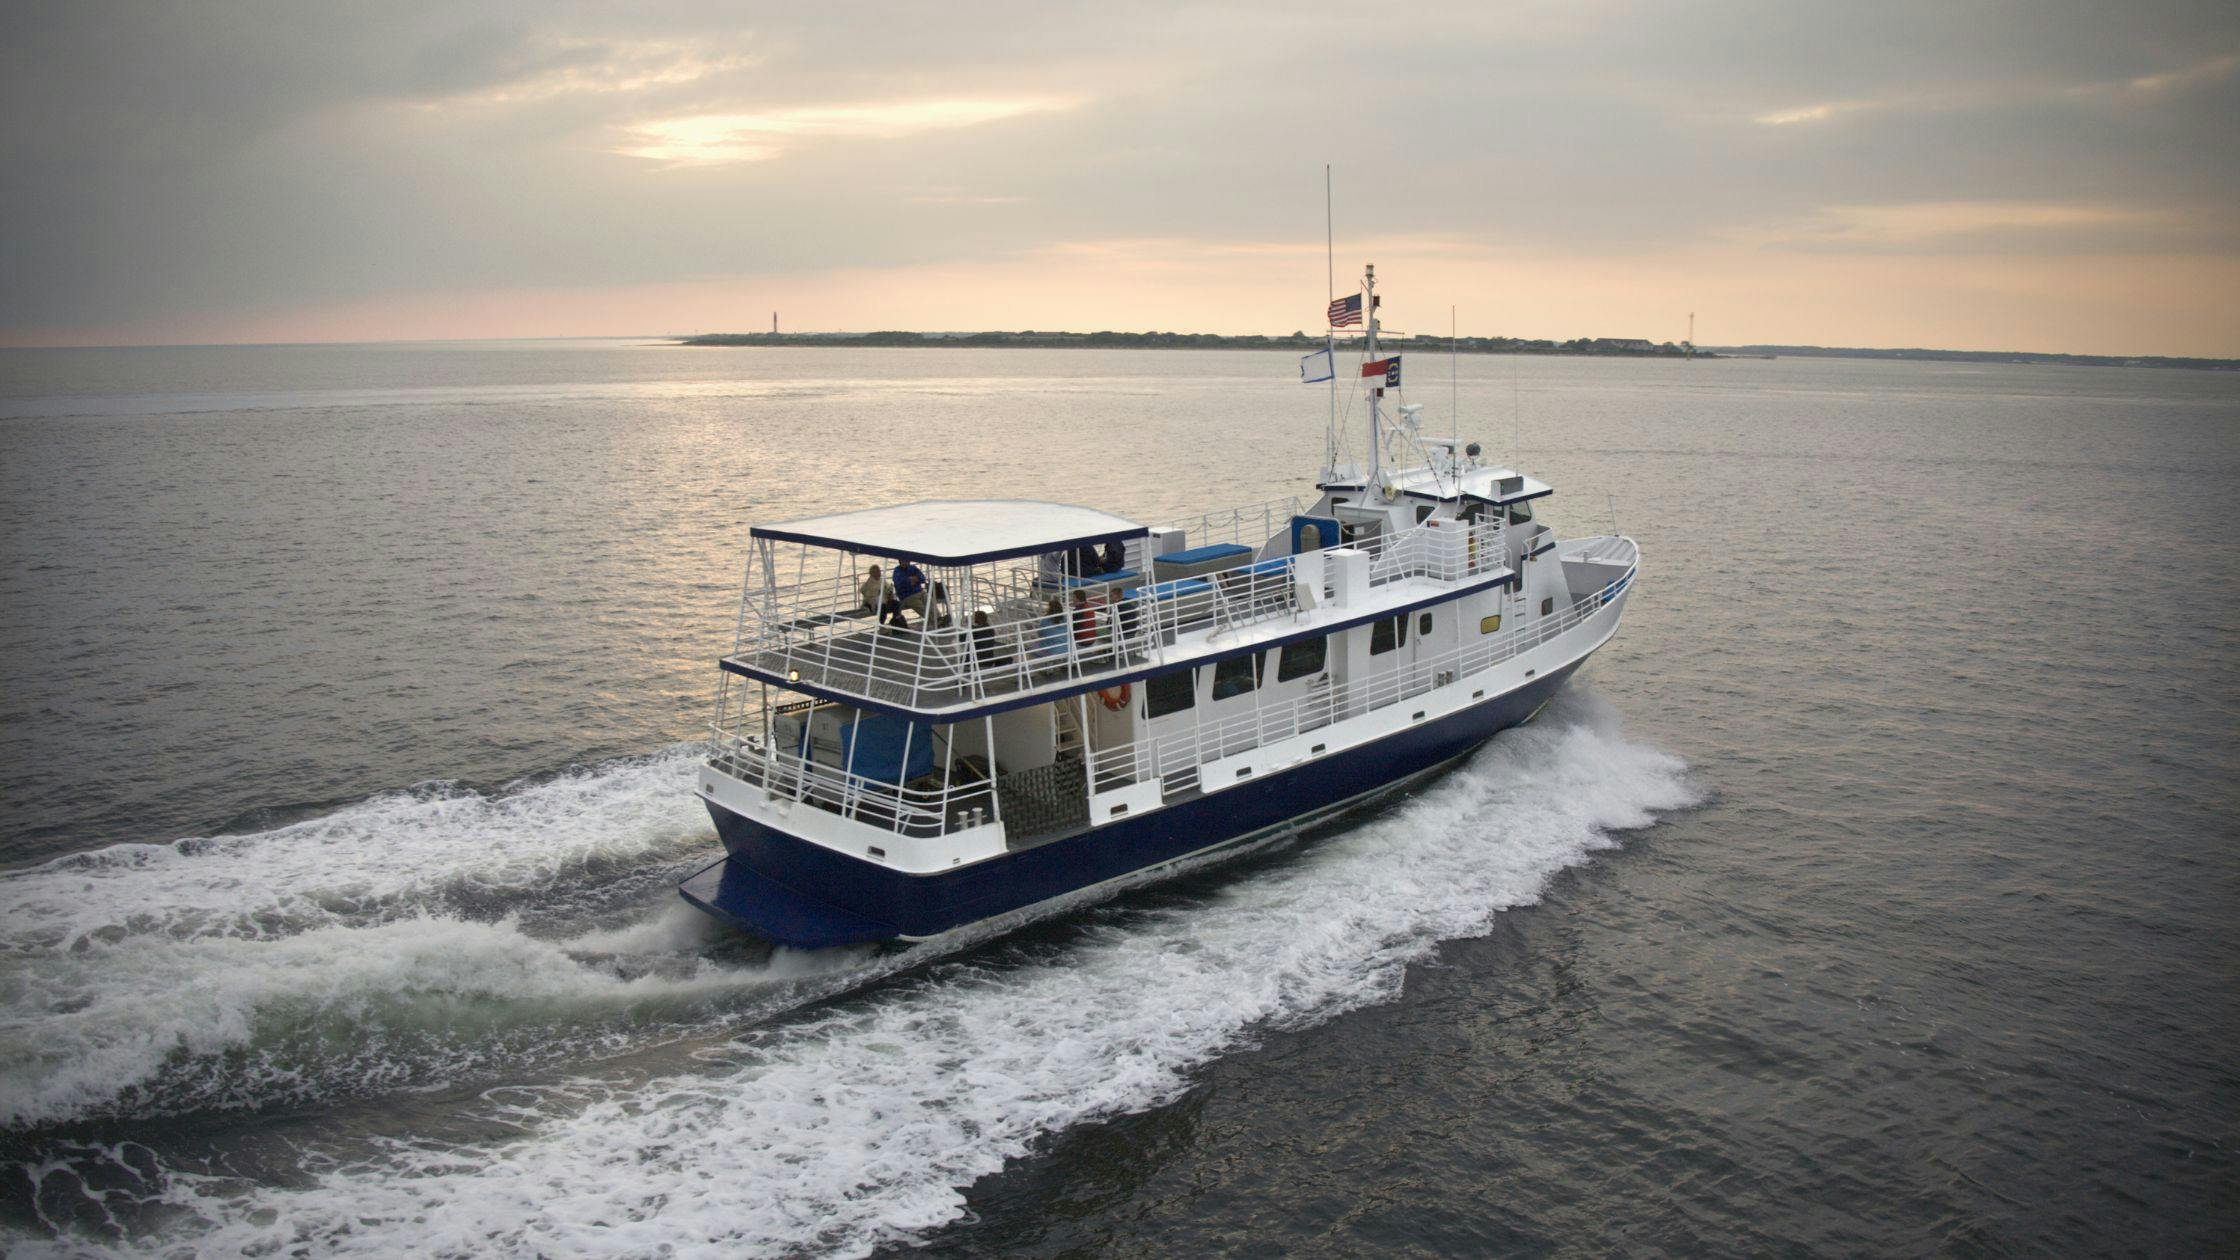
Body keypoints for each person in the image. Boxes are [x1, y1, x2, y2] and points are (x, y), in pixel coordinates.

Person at [889, 559, 928, 627]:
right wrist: (910, 580)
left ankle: (939, 618)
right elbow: (899, 583)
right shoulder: (897, 571)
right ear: (900, 562)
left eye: (907, 561)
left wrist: (917, 579)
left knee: (929, 600)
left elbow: (923, 578)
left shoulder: (913, 568)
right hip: (907, 596)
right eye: (903, 561)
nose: (905, 562)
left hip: (919, 592)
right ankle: (934, 620)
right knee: (919, 606)